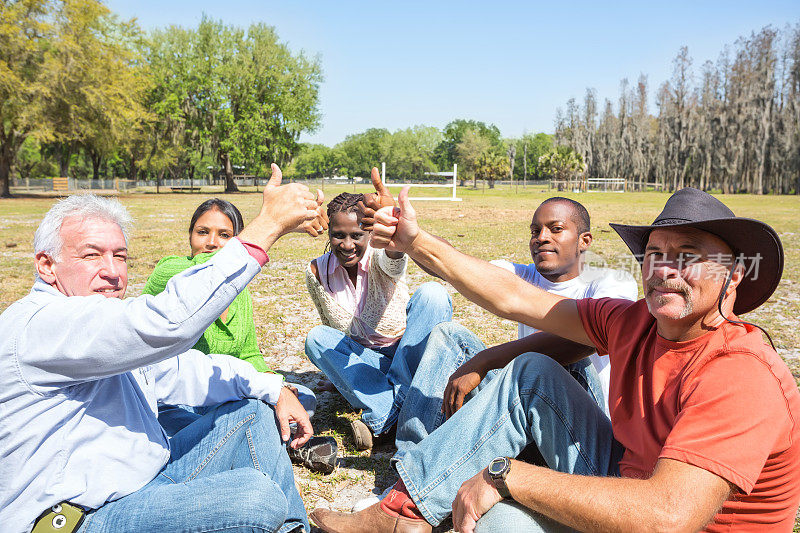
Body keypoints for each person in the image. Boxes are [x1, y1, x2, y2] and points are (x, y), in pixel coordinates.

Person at [310, 186, 800, 533]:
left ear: (733, 277)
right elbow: (514, 298)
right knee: (529, 376)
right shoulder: (635, 322)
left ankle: (406, 503)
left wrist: (508, 475)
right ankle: (403, 510)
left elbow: (667, 517)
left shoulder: (741, 372)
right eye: (655, 254)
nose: (664, 271)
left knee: (498, 520)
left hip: (671, 516)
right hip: (626, 479)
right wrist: (415, 241)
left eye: (687, 255)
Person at [0, 164, 327, 533]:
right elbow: (170, 323)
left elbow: (182, 369)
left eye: (120, 256)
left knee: (251, 410)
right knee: (255, 498)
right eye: (92, 255)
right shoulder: (42, 323)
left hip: (148, 484)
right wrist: (268, 225)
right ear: (47, 265)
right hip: (82, 519)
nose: (112, 271)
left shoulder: (96, 323)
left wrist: (274, 388)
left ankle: (293, 530)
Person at [390, 197, 638, 457]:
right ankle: (411, 459)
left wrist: (486, 360)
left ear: (584, 241)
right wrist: (410, 237)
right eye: (535, 231)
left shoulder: (610, 282)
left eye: (556, 229)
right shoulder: (522, 276)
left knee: (572, 359)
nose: (541, 237)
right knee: (449, 336)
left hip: (581, 433)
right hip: (528, 408)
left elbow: (589, 339)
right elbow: (454, 264)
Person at [141, 198, 335, 474]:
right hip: (183, 393)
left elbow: (248, 353)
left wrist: (276, 385)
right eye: (202, 232)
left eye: (224, 235)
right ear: (190, 237)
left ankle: (240, 440)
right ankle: (265, 442)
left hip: (227, 392)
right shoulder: (171, 271)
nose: (211, 241)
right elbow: (213, 264)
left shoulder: (238, 292)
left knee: (302, 396)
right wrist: (276, 227)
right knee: (177, 413)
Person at [304, 168, 453, 450]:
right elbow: (333, 332)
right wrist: (338, 375)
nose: (347, 245)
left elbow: (394, 258)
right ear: (330, 234)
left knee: (433, 294)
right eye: (338, 235)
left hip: (408, 354)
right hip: (366, 362)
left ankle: (385, 412)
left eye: (357, 235)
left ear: (370, 233)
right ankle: (405, 412)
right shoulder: (316, 271)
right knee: (315, 339)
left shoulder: (380, 254)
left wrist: (396, 231)